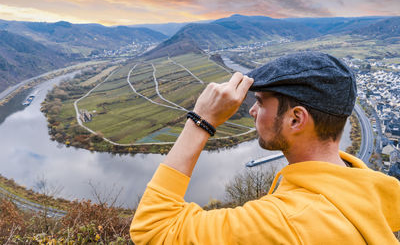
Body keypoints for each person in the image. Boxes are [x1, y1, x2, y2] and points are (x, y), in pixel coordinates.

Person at [130, 52, 400, 244]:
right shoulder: (374, 189)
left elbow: (154, 229)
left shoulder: (286, 222)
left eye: (260, 102)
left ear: (296, 119)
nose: (252, 110)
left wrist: (201, 120)